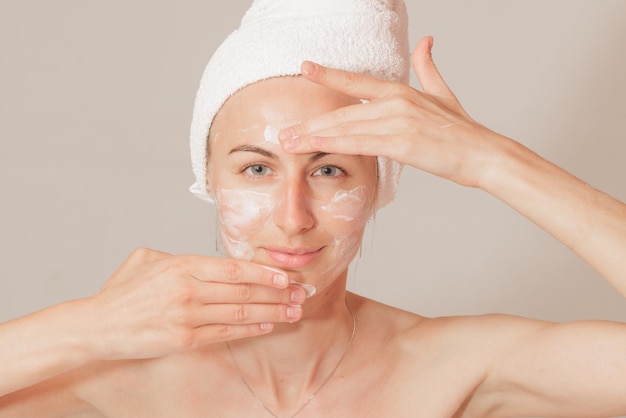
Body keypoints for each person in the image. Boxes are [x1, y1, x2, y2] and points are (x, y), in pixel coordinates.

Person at [1, 0, 626, 417]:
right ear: (209, 178)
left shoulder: (449, 369)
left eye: (329, 170)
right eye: (256, 168)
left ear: (380, 185)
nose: (293, 216)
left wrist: (493, 160)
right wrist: (87, 326)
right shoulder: (108, 375)